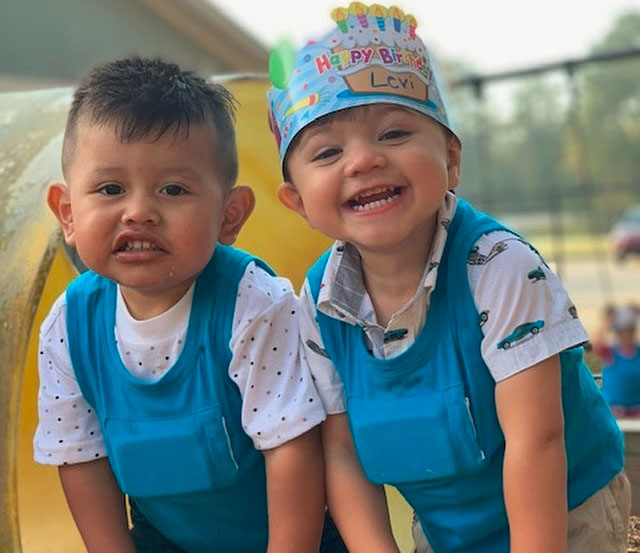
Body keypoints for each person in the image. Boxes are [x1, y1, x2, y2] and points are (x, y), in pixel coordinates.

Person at [266, 4, 629, 553]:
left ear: (451, 159)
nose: (363, 160)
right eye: (329, 151)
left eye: (393, 133)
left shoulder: (500, 267)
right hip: (444, 522)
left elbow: (538, 441)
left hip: (563, 508)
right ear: (297, 202)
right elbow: (340, 452)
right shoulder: (318, 304)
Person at [34, 56, 345, 553]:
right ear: (68, 213)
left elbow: (292, 448)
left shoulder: (254, 303)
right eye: (111, 189)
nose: (139, 211)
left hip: (292, 537)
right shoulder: (70, 325)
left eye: (173, 189)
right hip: (164, 539)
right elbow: (80, 457)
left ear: (230, 214)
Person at [593, 304, 640, 417]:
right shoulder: (610, 352)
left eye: (629, 331)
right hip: (614, 411)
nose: (626, 335)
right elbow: (597, 344)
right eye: (623, 331)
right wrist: (607, 321)